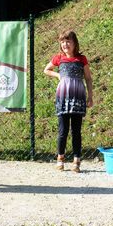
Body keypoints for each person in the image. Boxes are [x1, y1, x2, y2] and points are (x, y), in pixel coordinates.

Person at [44, 30, 93, 172]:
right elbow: (46, 70)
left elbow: (88, 78)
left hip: (78, 97)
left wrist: (90, 96)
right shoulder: (58, 58)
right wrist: (58, 75)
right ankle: (60, 159)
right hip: (63, 97)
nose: (65, 44)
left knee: (76, 131)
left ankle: (77, 161)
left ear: (74, 43)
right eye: (62, 42)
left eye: (68, 41)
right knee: (63, 130)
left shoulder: (82, 59)